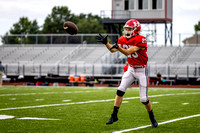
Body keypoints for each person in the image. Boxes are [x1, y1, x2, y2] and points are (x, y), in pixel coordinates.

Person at [96, 19, 158, 127]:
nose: (127, 31)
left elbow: (128, 51)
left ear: (136, 30)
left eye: (129, 29)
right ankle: (114, 115)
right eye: (126, 29)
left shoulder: (141, 39)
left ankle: (152, 117)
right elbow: (112, 50)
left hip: (141, 70)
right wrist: (106, 43)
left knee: (143, 99)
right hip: (131, 68)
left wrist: (118, 47)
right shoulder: (123, 39)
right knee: (120, 90)